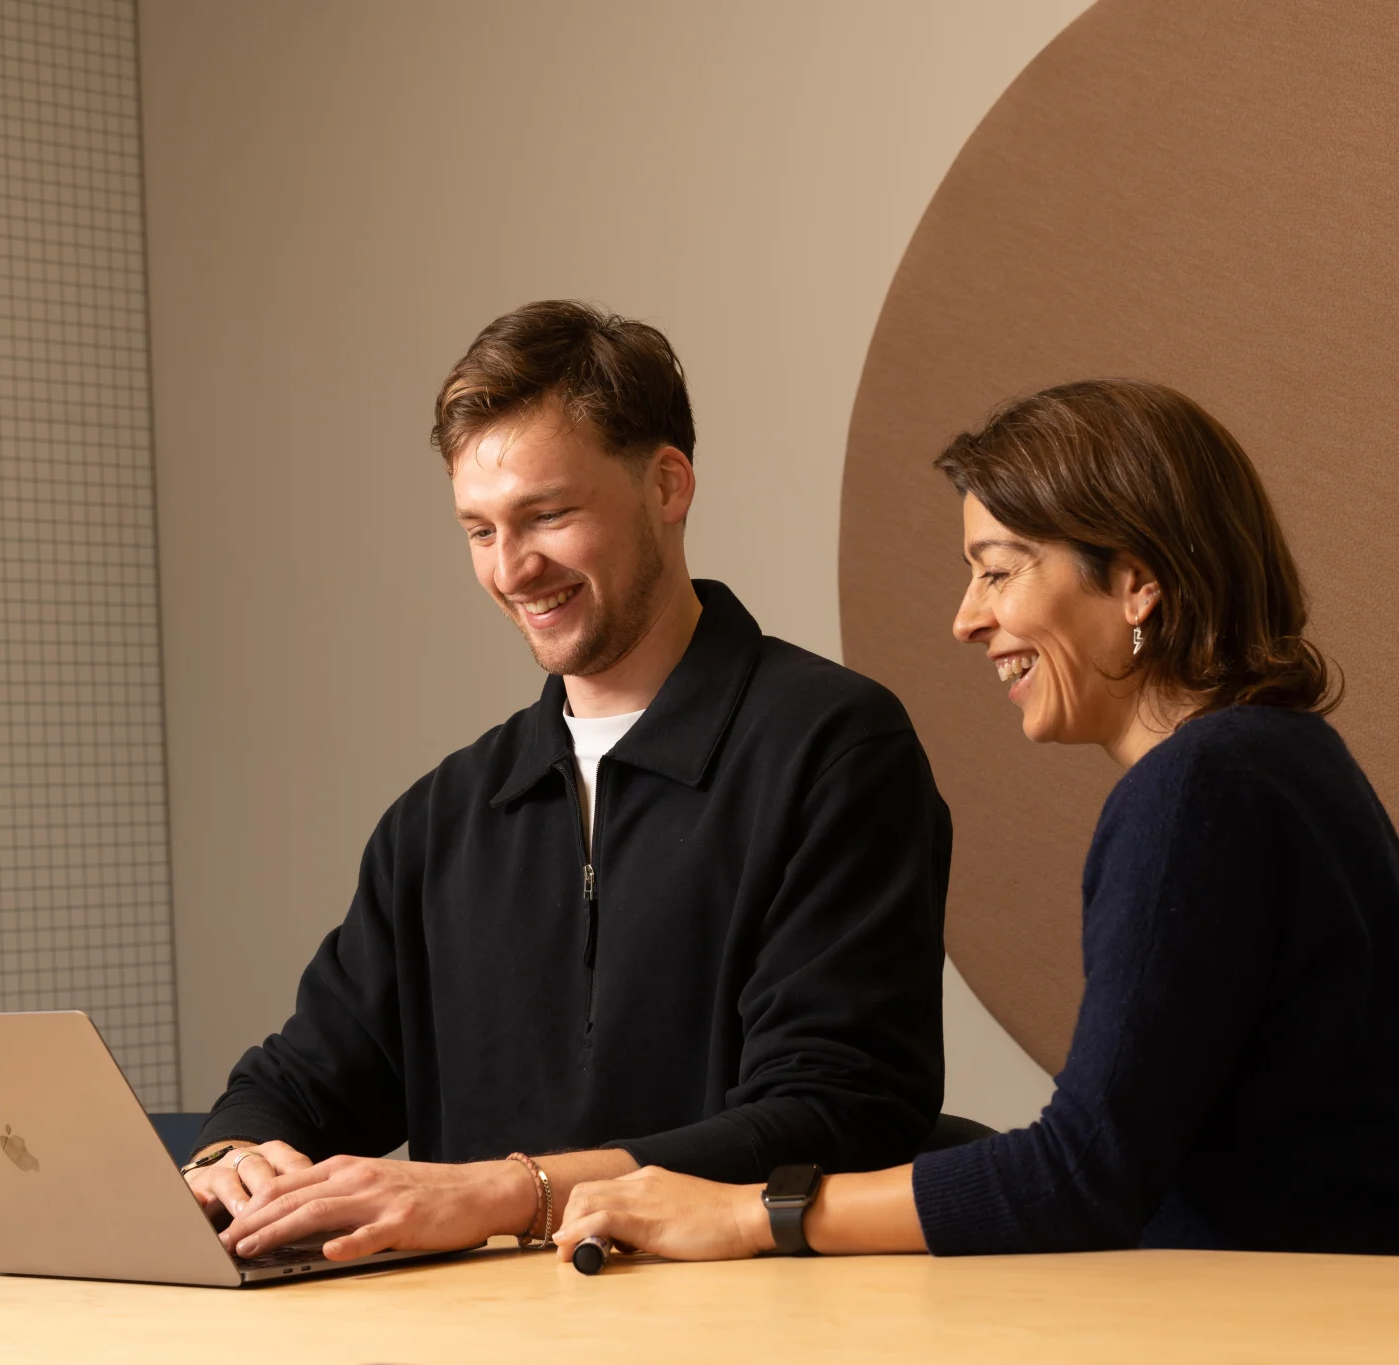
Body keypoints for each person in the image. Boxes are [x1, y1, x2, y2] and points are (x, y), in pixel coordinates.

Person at [555, 378, 1399, 1263]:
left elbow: (1080, 1175)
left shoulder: (1191, 790)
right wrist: (1320, 1173)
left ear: (1138, 583)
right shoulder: (1280, 754)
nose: (966, 618)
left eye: (1000, 570)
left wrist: (745, 1214)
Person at [187, 301, 951, 1262]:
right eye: (479, 530)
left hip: (743, 1331)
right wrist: (233, 1153)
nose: (513, 568)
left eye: (548, 514)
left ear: (667, 485)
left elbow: (838, 1112)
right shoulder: (442, 815)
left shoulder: (834, 748)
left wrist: (516, 1191)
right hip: (482, 1336)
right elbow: (305, 1078)